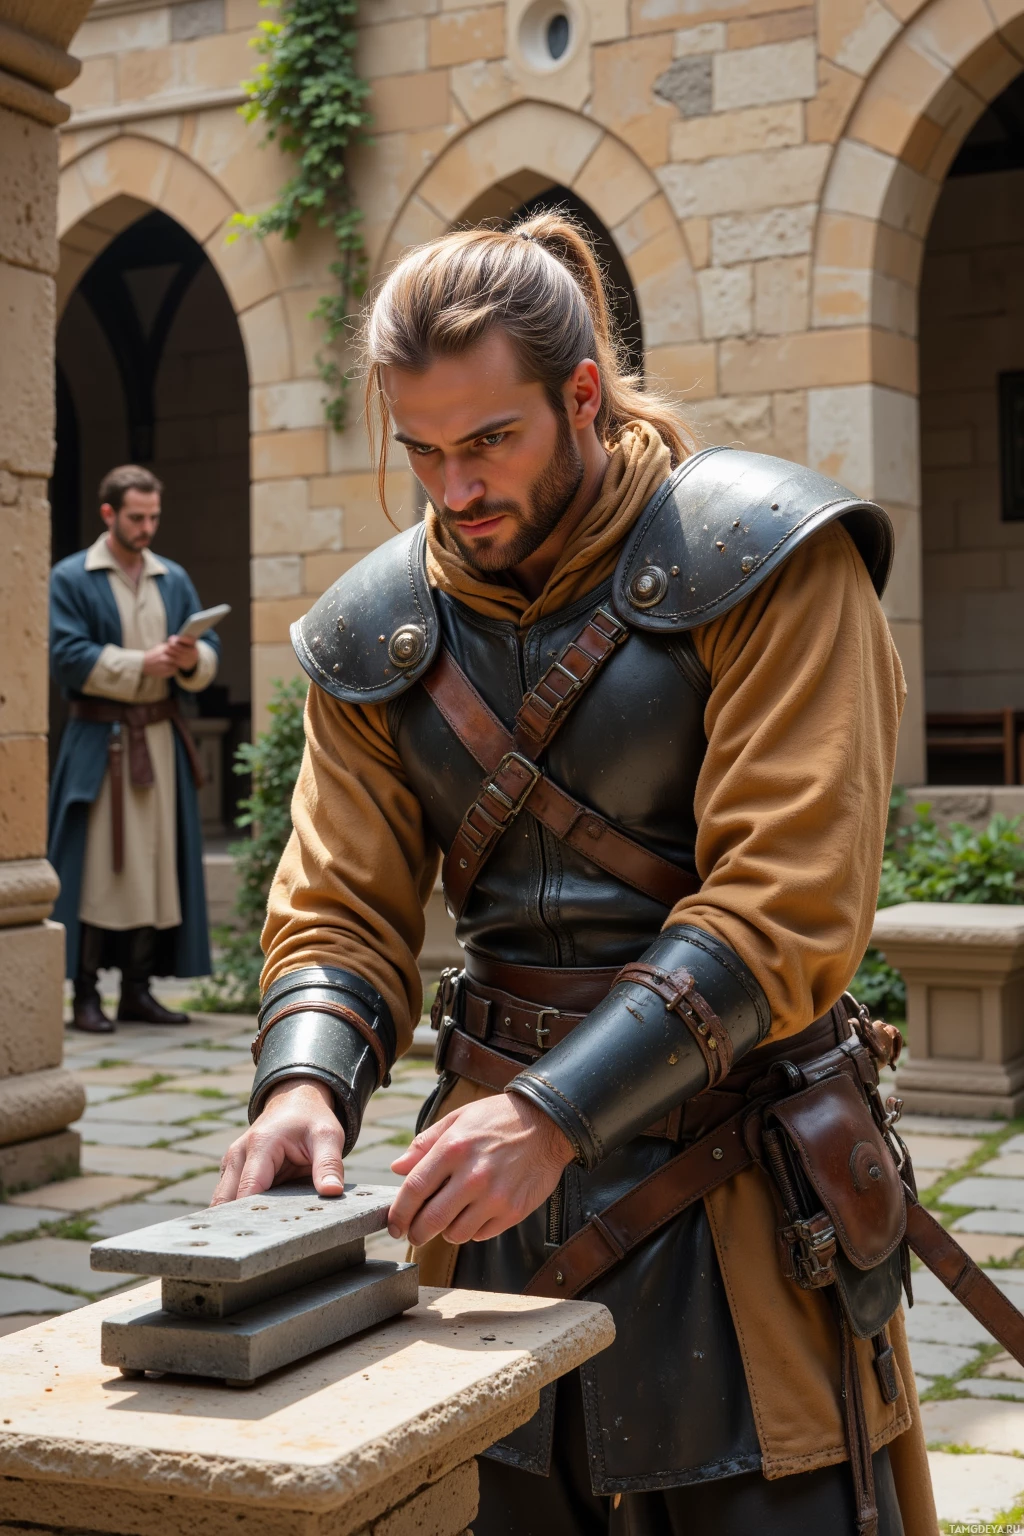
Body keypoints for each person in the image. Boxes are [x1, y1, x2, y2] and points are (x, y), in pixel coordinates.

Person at [214, 216, 936, 1534]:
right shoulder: (380, 630)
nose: (455, 488)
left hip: (741, 1184)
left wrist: (554, 1112)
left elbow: (783, 901)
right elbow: (338, 906)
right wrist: (306, 1083)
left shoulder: (769, 560)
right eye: (423, 450)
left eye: (490, 440)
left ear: (583, 394)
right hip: (487, 1206)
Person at [48, 465, 220, 1033]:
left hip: (159, 742)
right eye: (136, 517)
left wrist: (192, 659)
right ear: (108, 514)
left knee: (154, 866)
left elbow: (208, 648)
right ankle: (87, 995)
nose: (147, 527)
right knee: (99, 870)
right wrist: (139, 664)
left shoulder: (171, 578)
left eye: (153, 517)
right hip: (103, 743)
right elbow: (67, 656)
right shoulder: (73, 576)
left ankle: (139, 990)